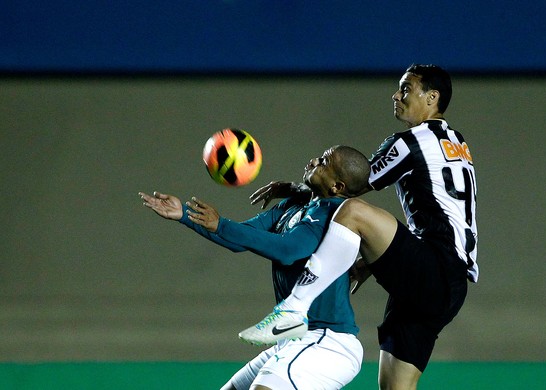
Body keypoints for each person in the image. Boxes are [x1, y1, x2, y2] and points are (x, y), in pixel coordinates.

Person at [241, 64, 478, 390]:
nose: (396, 95)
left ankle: (293, 309)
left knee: (353, 212)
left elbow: (350, 183)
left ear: (432, 97)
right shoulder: (456, 141)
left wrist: (298, 189)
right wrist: (370, 263)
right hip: (449, 283)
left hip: (433, 268)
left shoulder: (411, 141)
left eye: (406, 89)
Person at [139, 145, 370, 390]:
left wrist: (220, 225)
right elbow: (242, 237)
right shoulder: (293, 206)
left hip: (327, 342)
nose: (314, 159)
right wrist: (184, 214)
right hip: (293, 339)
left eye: (324, 161)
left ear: (338, 187)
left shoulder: (333, 215)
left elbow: (288, 250)